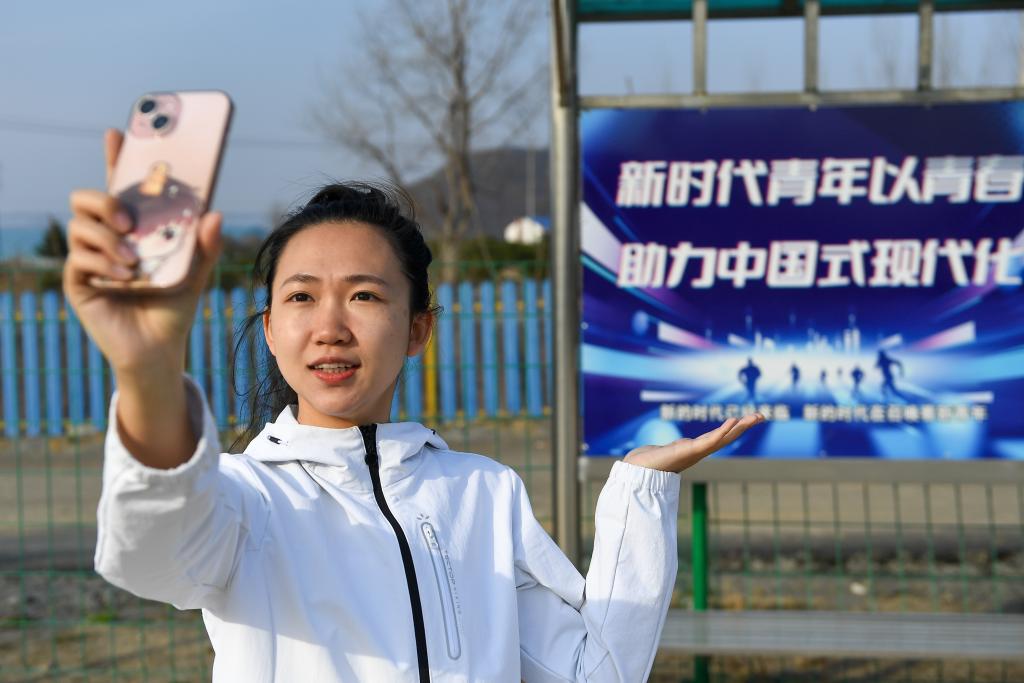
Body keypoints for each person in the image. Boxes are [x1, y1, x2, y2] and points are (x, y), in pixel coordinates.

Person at [64, 129, 765, 682]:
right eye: (301, 296)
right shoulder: (245, 498)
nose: (330, 326)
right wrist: (147, 370)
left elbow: (594, 673)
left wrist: (640, 488)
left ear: (418, 329)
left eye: (364, 295)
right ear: (271, 329)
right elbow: (149, 552)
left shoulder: (484, 493)